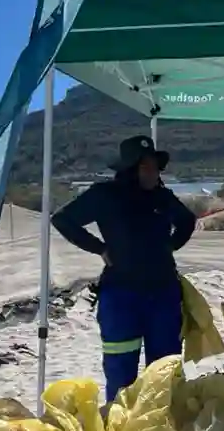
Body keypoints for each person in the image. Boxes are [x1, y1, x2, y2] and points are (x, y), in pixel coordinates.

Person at [51, 135, 197, 403]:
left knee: (165, 368)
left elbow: (188, 220)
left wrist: (170, 246)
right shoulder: (105, 195)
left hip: (163, 293)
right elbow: (62, 219)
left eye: (156, 167)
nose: (154, 173)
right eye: (147, 167)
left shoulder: (163, 197)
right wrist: (99, 248)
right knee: (121, 373)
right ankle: (121, 427)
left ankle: (162, 423)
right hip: (121, 296)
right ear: (130, 169)